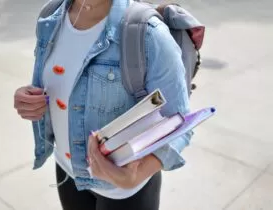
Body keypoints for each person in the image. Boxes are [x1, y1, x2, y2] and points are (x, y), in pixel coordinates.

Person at [13, 0, 192, 209]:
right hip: (67, 171)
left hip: (124, 193)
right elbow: (60, 82)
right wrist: (30, 98)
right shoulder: (51, 15)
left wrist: (135, 176)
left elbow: (180, 124)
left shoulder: (149, 33)